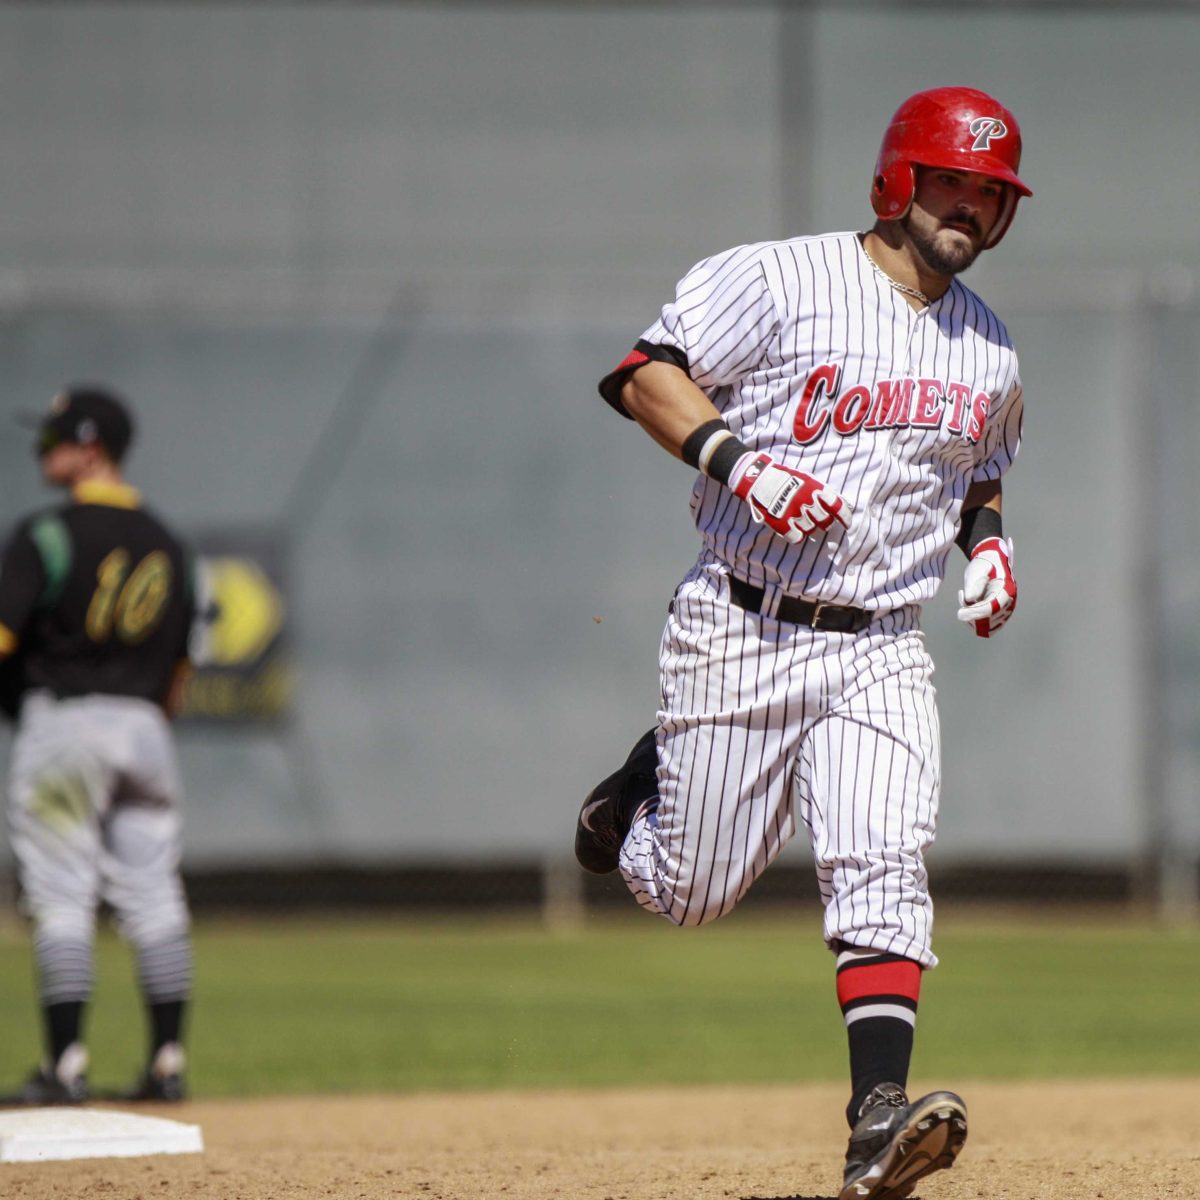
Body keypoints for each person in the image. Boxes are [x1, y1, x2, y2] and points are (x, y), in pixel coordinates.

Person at [575, 86, 1029, 1200]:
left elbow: (979, 473)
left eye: (991, 192)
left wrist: (989, 548)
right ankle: (634, 791)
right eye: (952, 182)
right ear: (900, 180)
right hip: (742, 623)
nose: (969, 207)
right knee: (693, 891)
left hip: (881, 642)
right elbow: (645, 373)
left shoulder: (991, 351)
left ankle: (878, 1120)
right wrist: (738, 460)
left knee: (882, 859)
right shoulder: (777, 277)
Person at [0, 387, 196, 1105]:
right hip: (145, 731)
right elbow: (180, 674)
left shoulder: (46, 535)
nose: (42, 448)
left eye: (54, 435)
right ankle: (168, 1063)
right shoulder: (169, 543)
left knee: (60, 898)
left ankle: (64, 1066)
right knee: (153, 896)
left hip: (65, 724)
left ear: (90, 445)